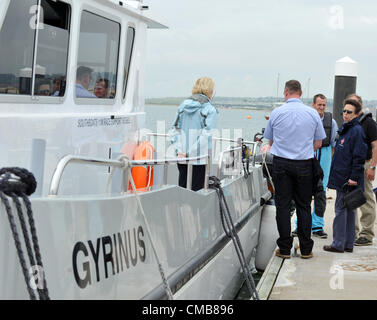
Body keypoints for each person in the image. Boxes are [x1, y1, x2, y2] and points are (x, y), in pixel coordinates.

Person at [264, 80, 326, 259]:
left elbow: (270, 141)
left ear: (286, 93)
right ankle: (306, 248)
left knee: (283, 206)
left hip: (281, 163)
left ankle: (284, 249)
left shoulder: (276, 113)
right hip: (304, 164)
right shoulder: (312, 113)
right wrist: (303, 149)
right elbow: (319, 142)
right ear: (301, 93)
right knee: (304, 206)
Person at [292, 94, 338, 239]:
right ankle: (300, 225)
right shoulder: (306, 119)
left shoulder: (332, 122)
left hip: (323, 155)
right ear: (313, 105)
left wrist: (327, 161)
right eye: (319, 104)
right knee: (302, 190)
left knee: (320, 192)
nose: (322, 107)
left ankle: (318, 226)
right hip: (308, 154)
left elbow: (333, 145)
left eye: (324, 105)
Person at [324, 99, 367, 253]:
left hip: (347, 180)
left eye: (349, 112)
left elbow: (359, 156)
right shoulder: (346, 129)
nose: (345, 114)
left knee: (341, 210)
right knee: (349, 210)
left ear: (356, 114)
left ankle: (338, 244)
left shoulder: (356, 131)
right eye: (344, 111)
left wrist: (354, 178)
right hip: (342, 177)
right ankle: (348, 244)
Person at [170, 77, 218, 191]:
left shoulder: (182, 106)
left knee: (182, 188)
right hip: (199, 159)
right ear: (210, 90)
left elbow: (174, 129)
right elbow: (206, 136)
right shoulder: (210, 110)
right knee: (197, 192)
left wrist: (180, 151)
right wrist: (190, 153)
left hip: (181, 157)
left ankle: (181, 208)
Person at [347, 94, 377, 246]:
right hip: (351, 166)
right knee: (352, 200)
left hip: (365, 165)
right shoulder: (349, 123)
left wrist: (372, 166)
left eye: (356, 103)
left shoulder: (369, 123)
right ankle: (353, 231)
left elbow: (376, 146)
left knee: (366, 200)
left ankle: (366, 234)